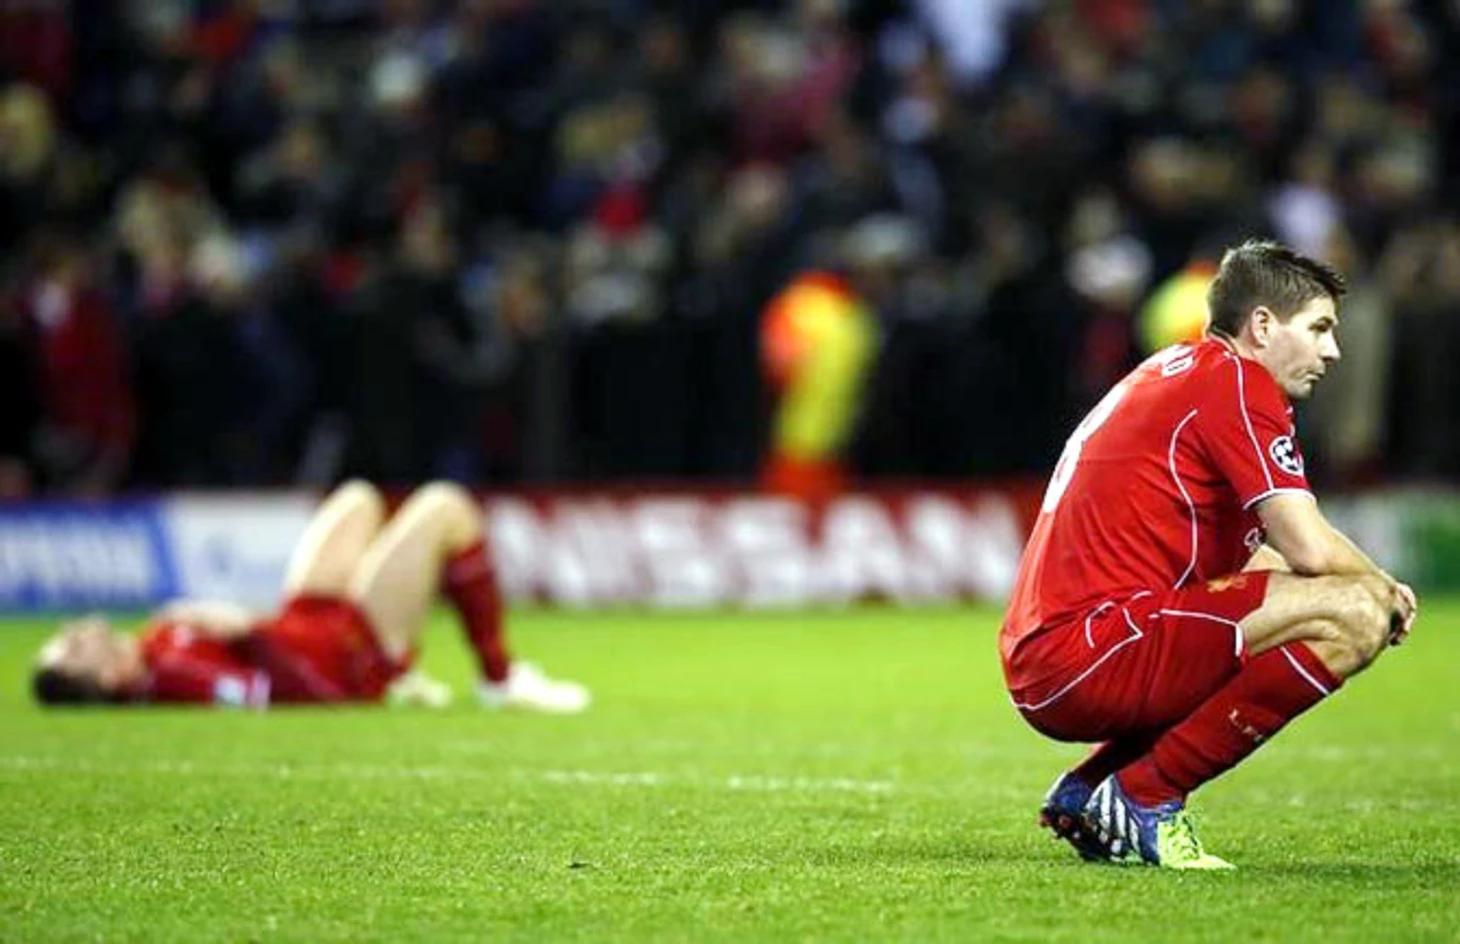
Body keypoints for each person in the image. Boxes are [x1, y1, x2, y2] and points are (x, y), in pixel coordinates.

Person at [1000, 239, 1418, 869]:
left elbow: (1252, 563)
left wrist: (1360, 587)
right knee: (1355, 615)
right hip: (1093, 650)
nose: (1332, 350)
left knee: (1322, 602)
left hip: (1062, 649)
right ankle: (1146, 795)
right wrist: (1382, 589)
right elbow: (1307, 546)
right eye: (1318, 328)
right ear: (1262, 326)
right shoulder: (1238, 383)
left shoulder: (1179, 369)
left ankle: (1093, 789)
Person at [31, 480, 589, 712]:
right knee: (447, 507)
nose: (76, 633)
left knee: (358, 499)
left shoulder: (154, 644)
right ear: (110, 678)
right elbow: (274, 691)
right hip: (349, 651)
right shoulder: (172, 674)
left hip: (309, 617)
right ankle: (499, 681)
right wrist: (244, 626)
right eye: (75, 650)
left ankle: (441, 678)